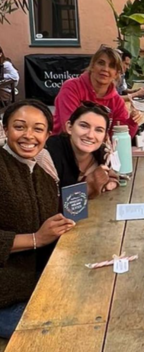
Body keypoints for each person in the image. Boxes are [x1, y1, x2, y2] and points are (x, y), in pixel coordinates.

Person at [0, 100, 75, 339]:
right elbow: (40, 236)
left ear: (47, 134)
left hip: (42, 283)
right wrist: (36, 239)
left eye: (38, 129)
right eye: (19, 127)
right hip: (7, 299)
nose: (29, 136)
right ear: (5, 129)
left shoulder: (43, 166)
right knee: (66, 332)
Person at [53, 45, 141, 138]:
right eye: (101, 63)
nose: (105, 69)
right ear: (92, 66)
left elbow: (119, 138)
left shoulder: (117, 102)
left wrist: (132, 121)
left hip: (96, 145)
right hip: (63, 143)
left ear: (116, 74)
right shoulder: (72, 87)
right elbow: (70, 128)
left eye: (111, 66)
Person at [47, 102, 119, 199]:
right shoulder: (50, 153)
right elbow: (50, 201)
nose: (90, 135)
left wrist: (111, 181)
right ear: (69, 127)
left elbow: (113, 175)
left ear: (105, 136)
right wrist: (89, 184)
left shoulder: (103, 154)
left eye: (98, 130)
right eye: (84, 126)